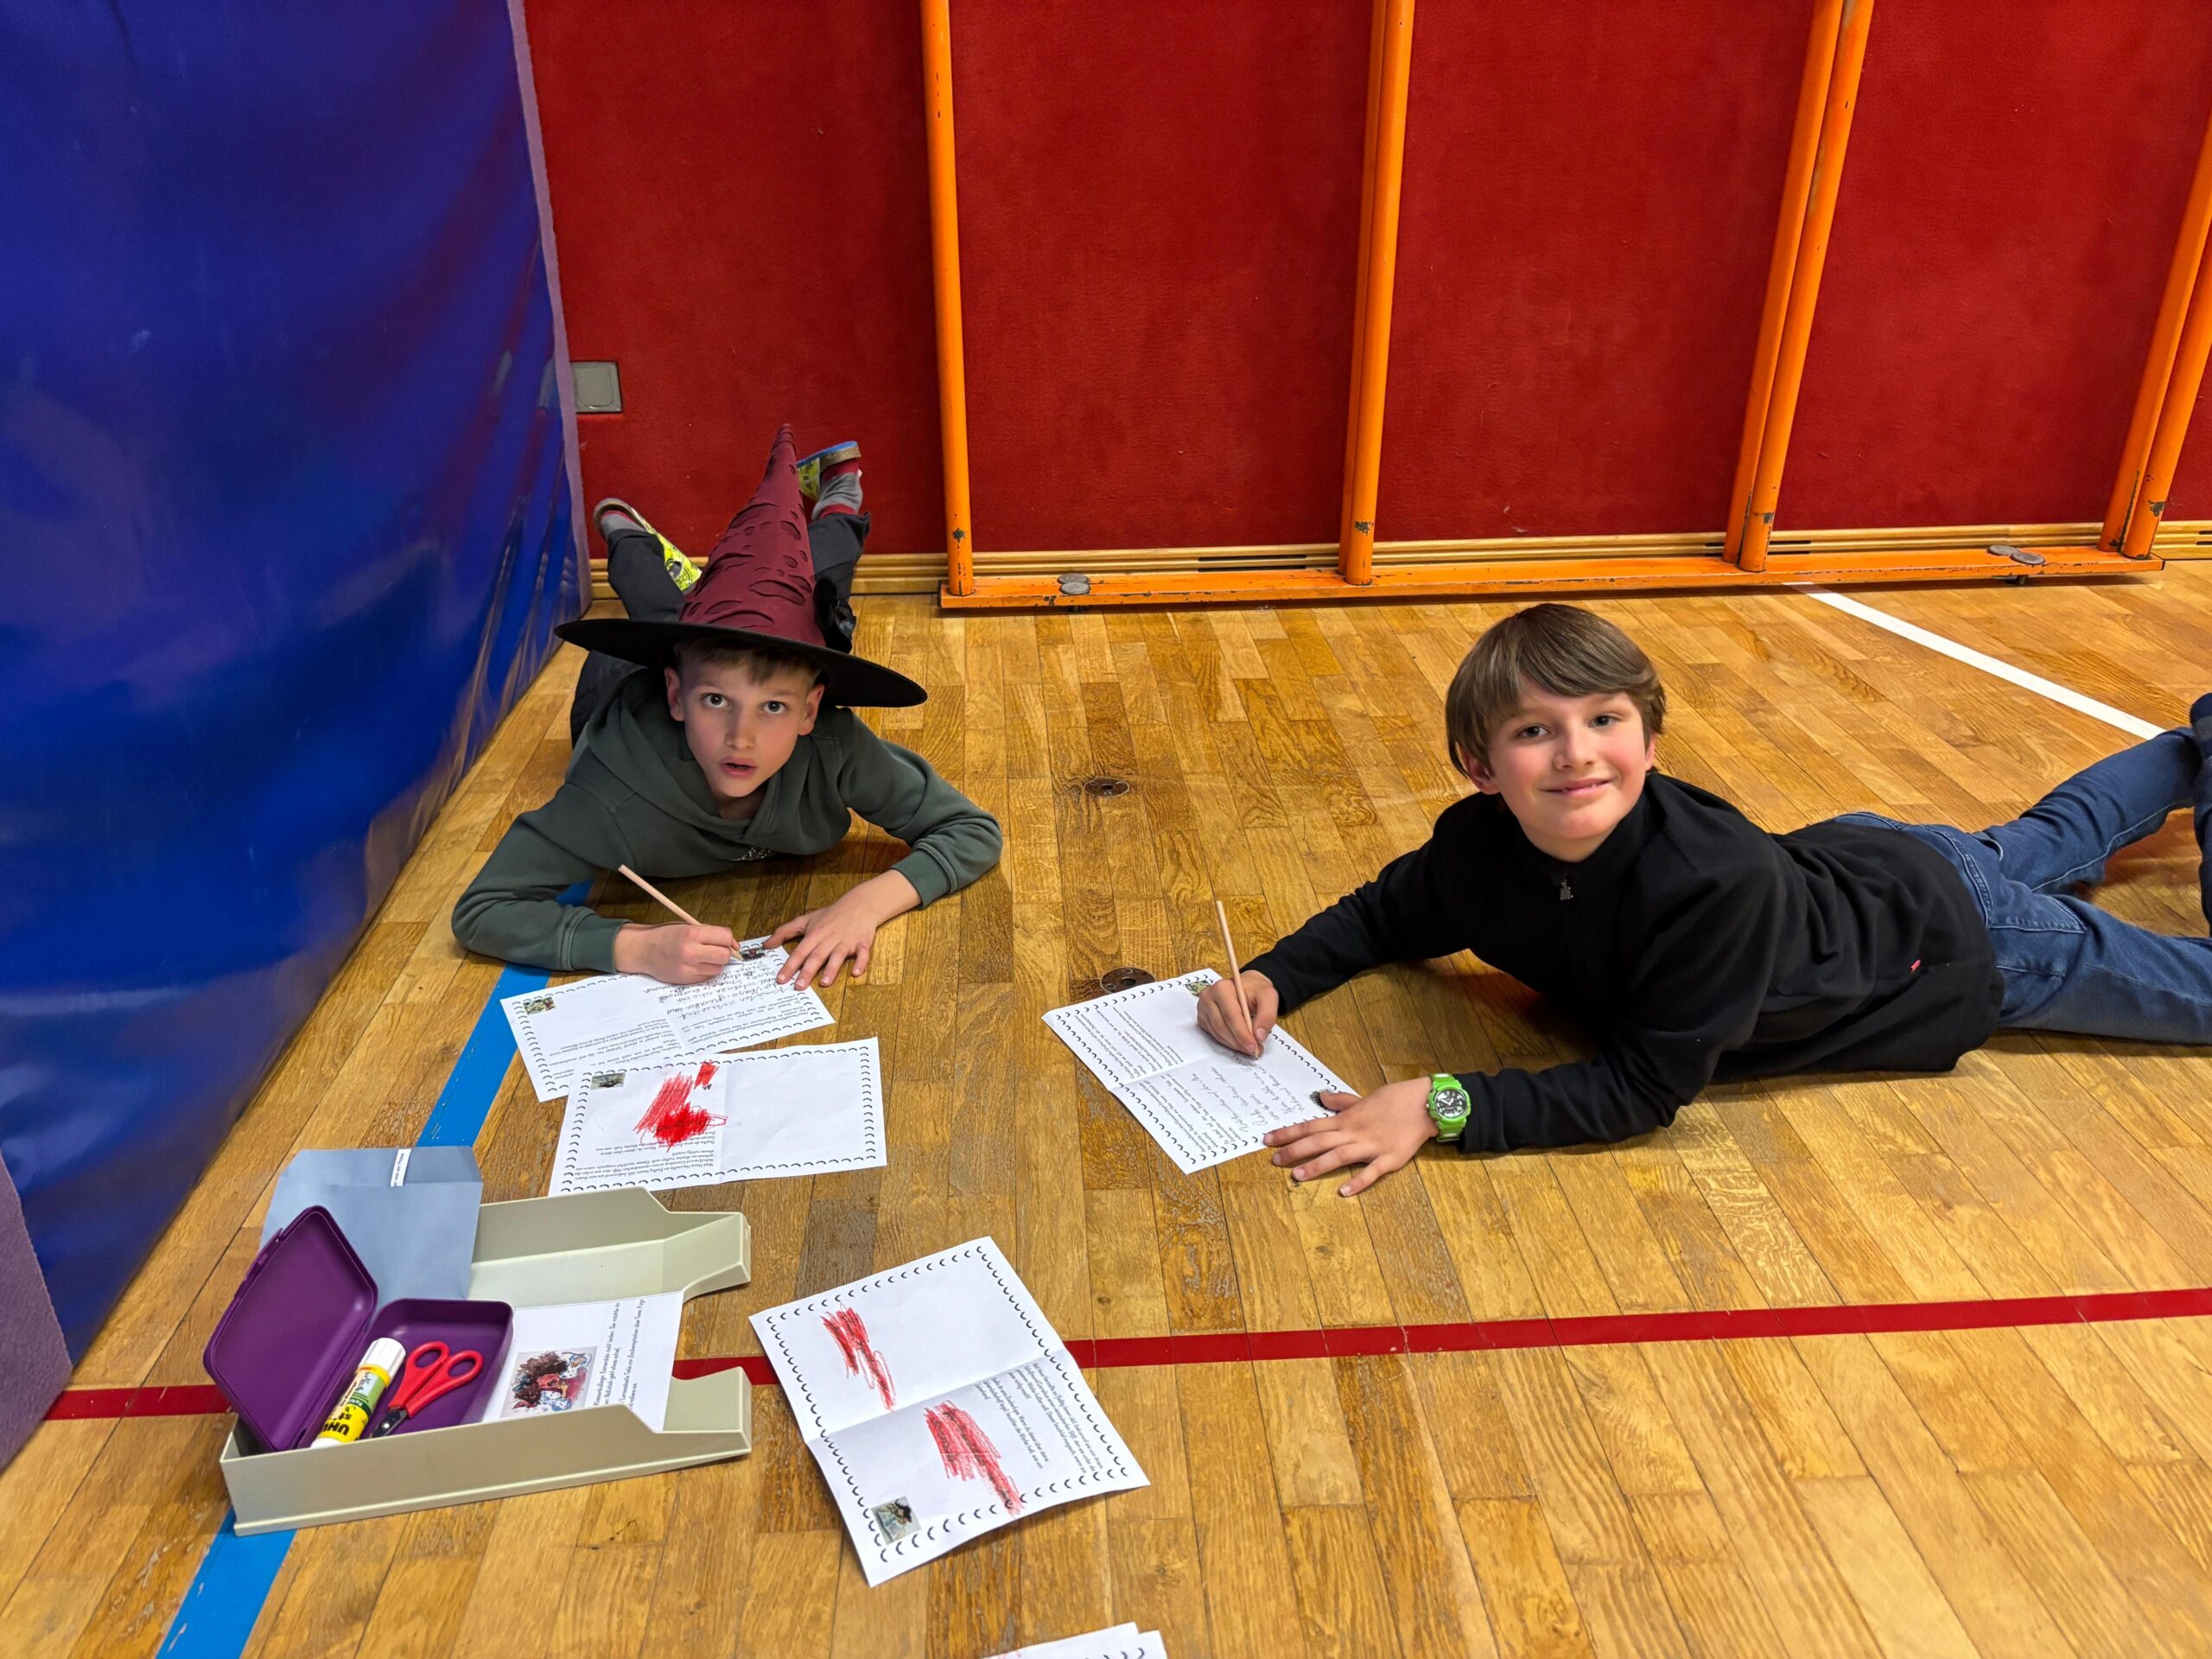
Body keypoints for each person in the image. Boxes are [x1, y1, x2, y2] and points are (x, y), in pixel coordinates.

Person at [1195, 601, 2212, 1196]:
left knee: (2121, 930)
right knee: (2044, 838)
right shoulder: (1477, 847)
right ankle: (2196, 741)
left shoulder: (1707, 882)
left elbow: (1642, 1090)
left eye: (1604, 720)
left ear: (1650, 740)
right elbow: (1385, 915)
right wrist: (1273, 975)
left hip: (1953, 940)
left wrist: (1438, 1102)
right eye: (1534, 732)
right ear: (1480, 766)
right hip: (1874, 858)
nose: (1577, 753)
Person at [451, 424, 1001, 987]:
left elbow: (970, 829)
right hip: (626, 679)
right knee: (661, 614)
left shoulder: (833, 745)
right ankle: (631, 538)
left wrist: (865, 904)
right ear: (677, 698)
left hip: (724, 652)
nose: (742, 737)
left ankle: (837, 500)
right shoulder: (610, 796)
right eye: (718, 703)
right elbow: (483, 909)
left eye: (774, 708)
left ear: (810, 711)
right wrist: (633, 945)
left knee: (821, 583)